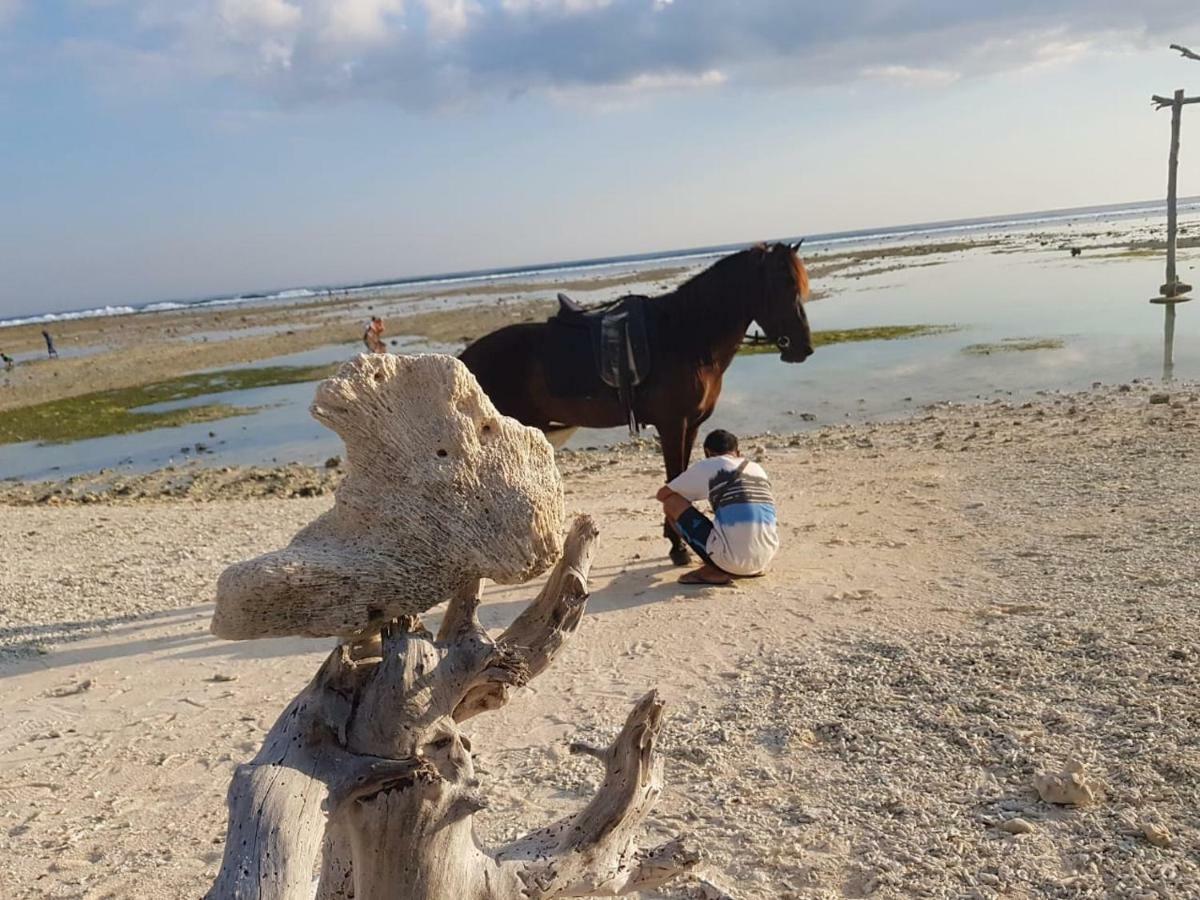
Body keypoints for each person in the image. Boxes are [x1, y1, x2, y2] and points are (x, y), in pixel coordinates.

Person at [656, 429, 779, 586]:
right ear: (738, 452)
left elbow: (662, 495)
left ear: (707, 452)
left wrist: (692, 491)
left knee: (672, 503)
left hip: (733, 560)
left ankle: (715, 569)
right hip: (765, 557)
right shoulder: (756, 468)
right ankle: (745, 566)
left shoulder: (709, 465)